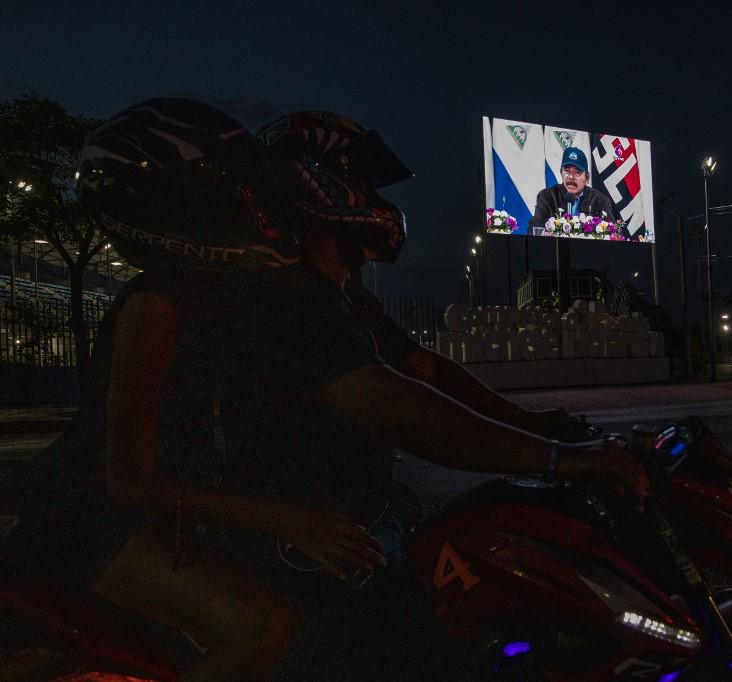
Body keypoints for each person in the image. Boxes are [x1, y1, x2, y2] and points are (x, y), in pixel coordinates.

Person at [210, 112, 650, 673]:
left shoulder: (346, 296)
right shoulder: (287, 298)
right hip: (312, 552)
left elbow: (428, 371)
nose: (377, 203)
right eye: (364, 184)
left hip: (370, 525)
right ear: (316, 183)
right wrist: (559, 459)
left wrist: (530, 422)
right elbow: (397, 406)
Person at [0, 99, 389, 681]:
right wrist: (287, 519)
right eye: (225, 190)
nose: (252, 204)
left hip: (165, 512)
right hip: (87, 520)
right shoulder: (156, 305)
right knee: (256, 628)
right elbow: (129, 482)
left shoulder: (221, 294)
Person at [528, 146, 619, 228]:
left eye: (577, 172)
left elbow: (614, 234)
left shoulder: (600, 201)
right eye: (567, 171)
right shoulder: (547, 197)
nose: (571, 177)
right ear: (561, 172)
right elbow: (535, 230)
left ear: (587, 177)